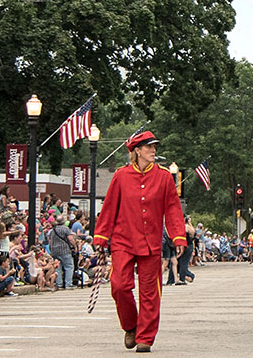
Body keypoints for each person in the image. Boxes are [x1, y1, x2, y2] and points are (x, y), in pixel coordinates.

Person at [93, 131, 187, 353]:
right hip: (122, 240)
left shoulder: (164, 177)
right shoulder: (121, 176)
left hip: (151, 243)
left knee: (150, 292)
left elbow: (173, 208)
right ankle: (130, 326)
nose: (153, 150)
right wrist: (101, 236)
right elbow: (109, 207)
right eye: (148, 147)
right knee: (119, 286)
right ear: (136, 150)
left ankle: (145, 336)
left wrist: (178, 235)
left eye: (154, 147)